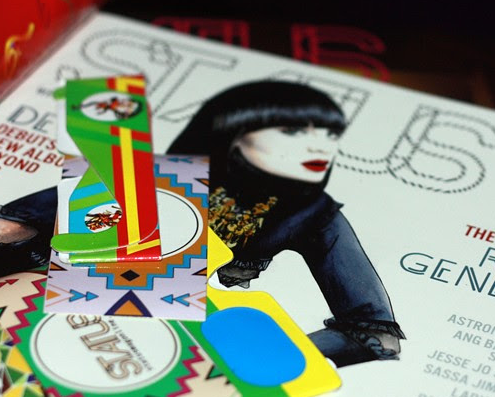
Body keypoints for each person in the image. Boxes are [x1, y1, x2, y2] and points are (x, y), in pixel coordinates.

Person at [168, 80, 404, 367]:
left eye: (331, 134)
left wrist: (254, 360)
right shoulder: (169, 177)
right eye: (293, 131)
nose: (321, 146)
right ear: (234, 132)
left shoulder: (314, 213)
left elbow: (378, 336)